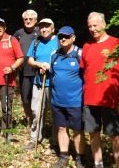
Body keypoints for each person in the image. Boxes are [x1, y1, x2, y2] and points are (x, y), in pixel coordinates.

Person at [81, 12, 119, 168]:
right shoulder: (87, 46)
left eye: (95, 25)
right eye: (90, 26)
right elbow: (84, 71)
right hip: (90, 98)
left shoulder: (116, 44)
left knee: (115, 135)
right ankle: (98, 164)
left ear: (104, 24)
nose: (92, 29)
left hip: (111, 98)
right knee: (93, 133)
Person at [50, 26, 85, 168]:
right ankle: (63, 156)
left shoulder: (80, 54)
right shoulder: (55, 55)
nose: (63, 39)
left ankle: (80, 158)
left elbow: (87, 76)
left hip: (75, 101)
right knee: (61, 128)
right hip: (57, 101)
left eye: (66, 36)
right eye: (60, 36)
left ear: (73, 38)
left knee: (78, 130)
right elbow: (52, 75)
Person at [25, 18, 59, 151]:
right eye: (42, 27)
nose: (44, 29)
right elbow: (30, 60)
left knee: (55, 112)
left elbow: (64, 59)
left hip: (55, 83)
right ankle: (34, 139)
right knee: (36, 111)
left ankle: (56, 141)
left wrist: (50, 66)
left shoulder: (59, 41)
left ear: (52, 28)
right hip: (38, 82)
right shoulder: (36, 42)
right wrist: (39, 64)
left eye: (47, 27)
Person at [13, 9, 40, 127]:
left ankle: (37, 121)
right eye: (26, 19)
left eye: (30, 19)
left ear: (36, 20)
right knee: (25, 98)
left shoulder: (40, 32)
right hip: (23, 71)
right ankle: (29, 119)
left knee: (37, 98)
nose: (28, 21)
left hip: (38, 71)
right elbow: (11, 49)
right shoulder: (18, 33)